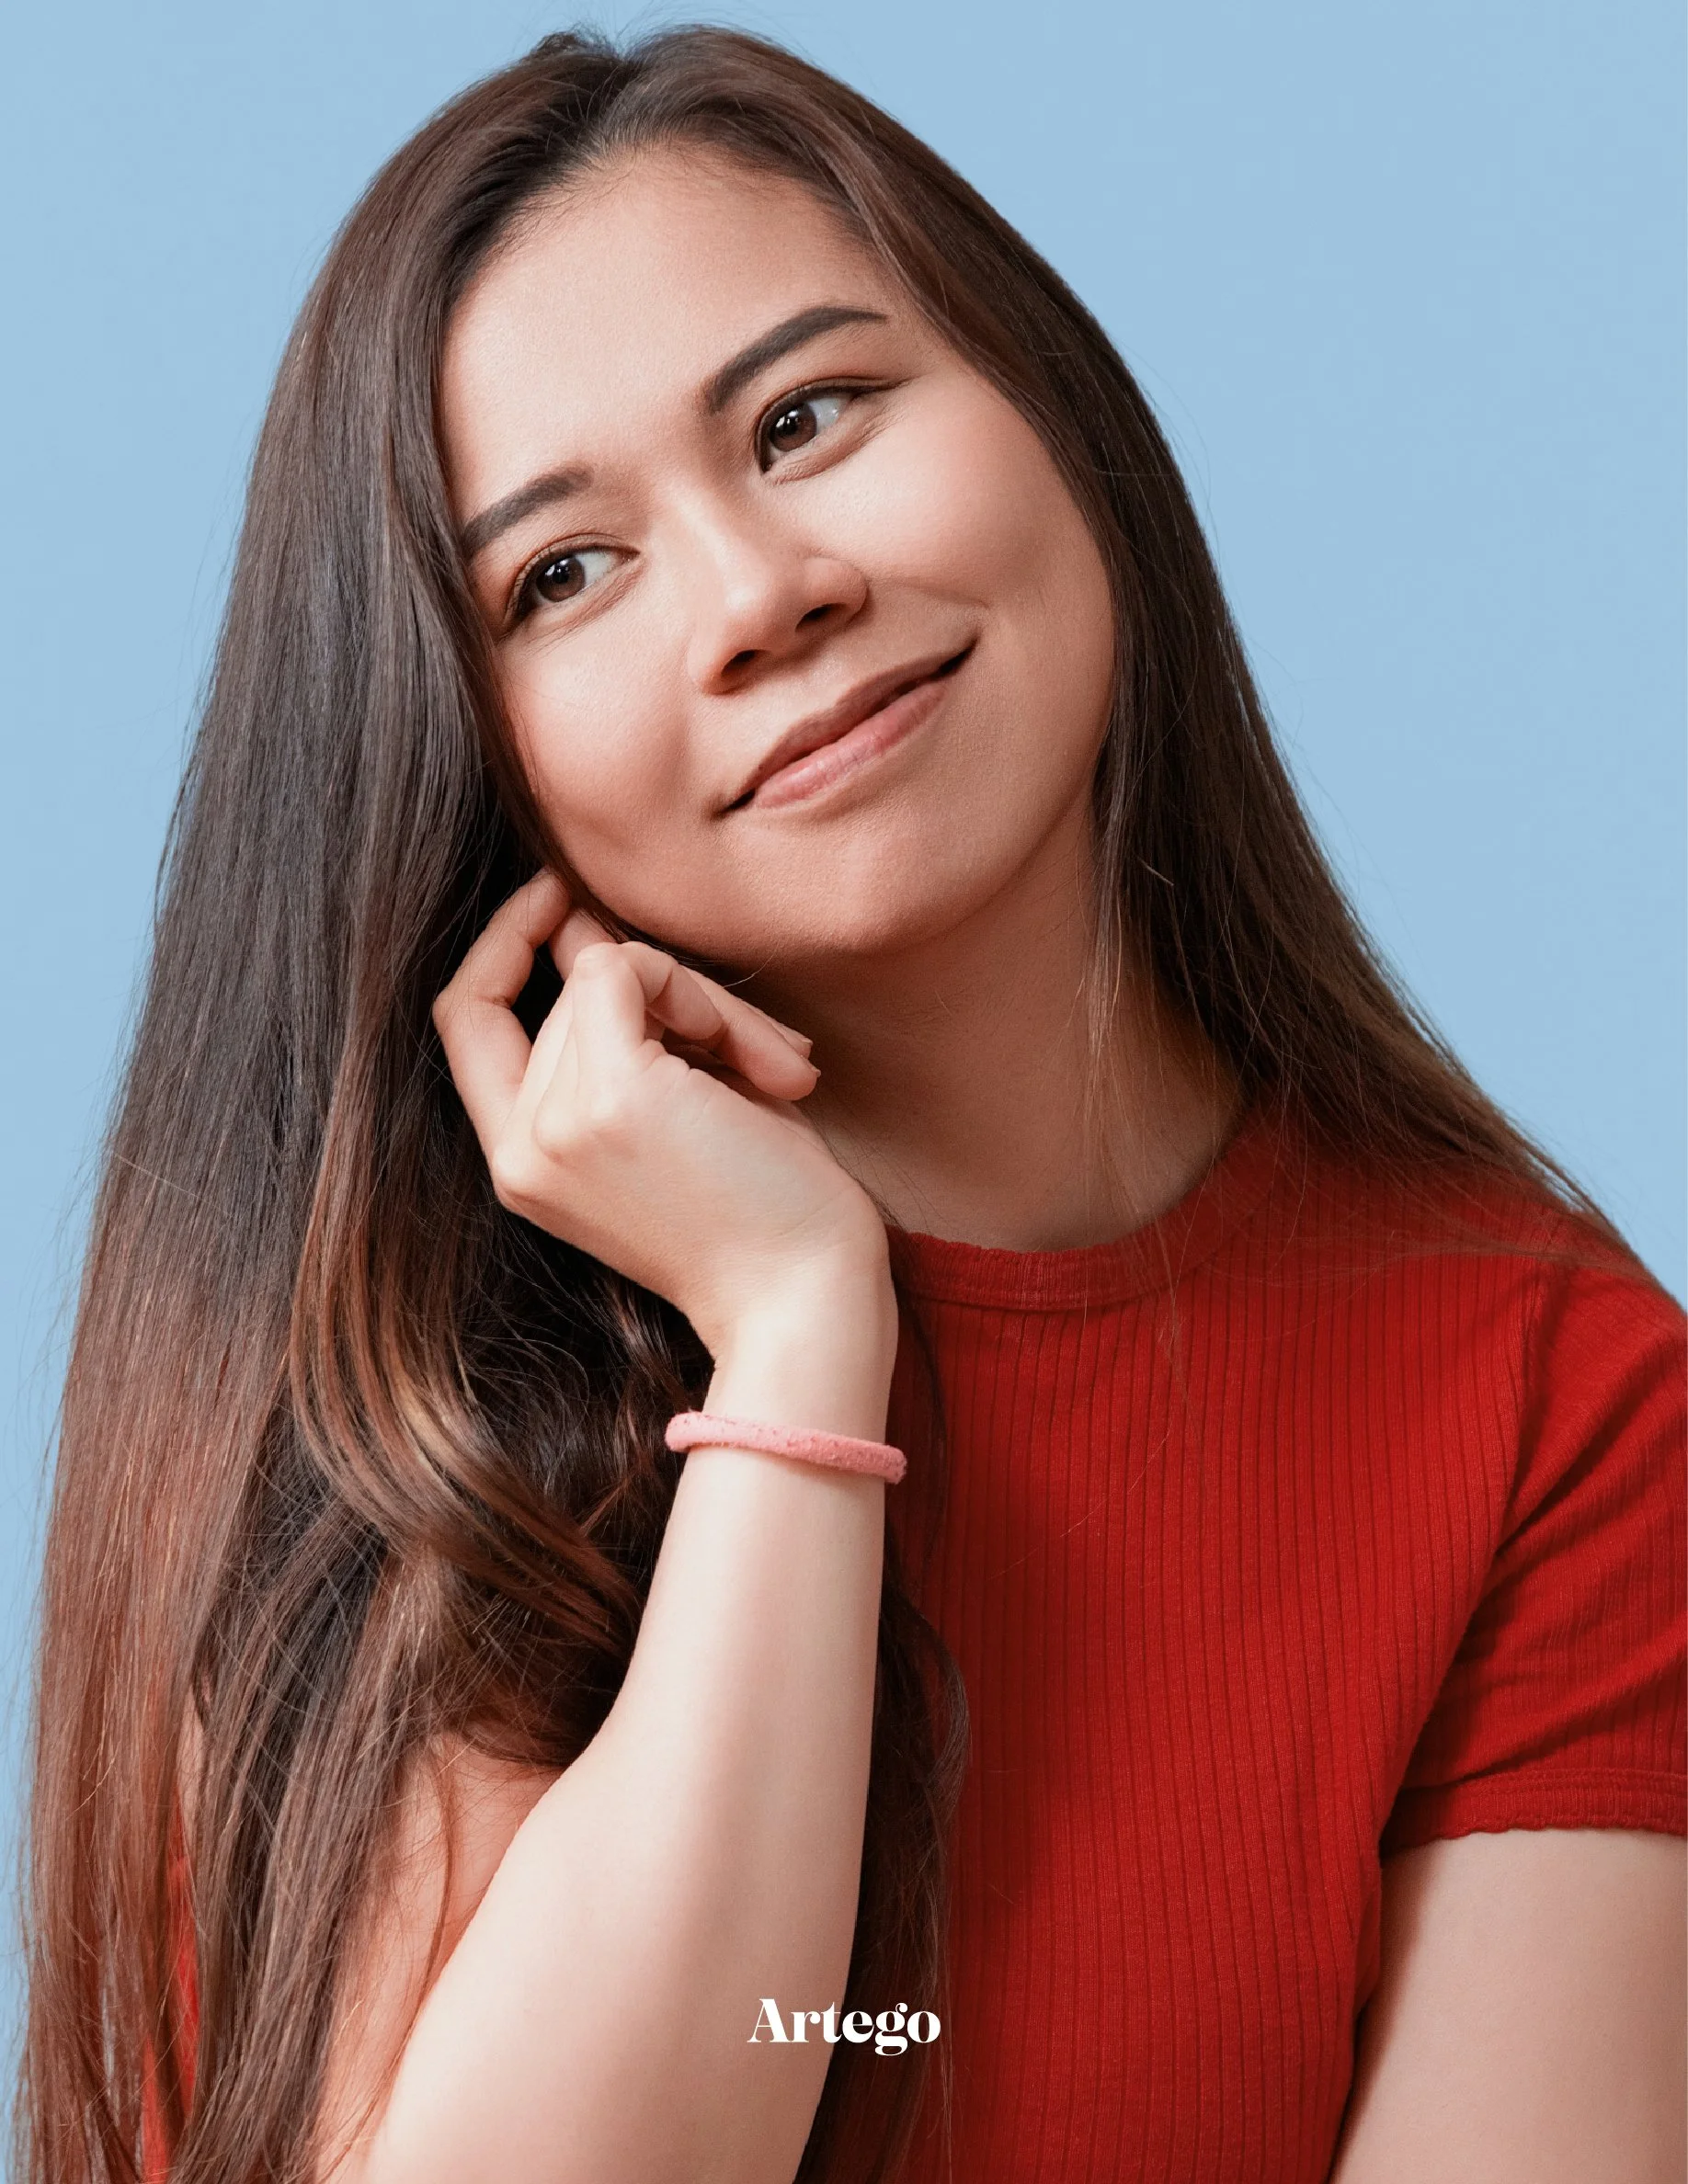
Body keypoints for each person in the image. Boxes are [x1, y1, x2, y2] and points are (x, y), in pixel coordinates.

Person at [16, 26, 1684, 2184]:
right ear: (467, 761)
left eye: (807, 418)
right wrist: (804, 1339)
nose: (760, 593)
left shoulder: (1545, 1388)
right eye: (562, 574)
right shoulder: (391, 1409)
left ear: (1059, 418)